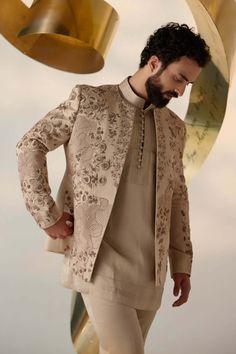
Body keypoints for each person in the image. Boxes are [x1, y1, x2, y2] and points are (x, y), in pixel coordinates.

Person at [16, 22, 211, 354]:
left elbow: (177, 195)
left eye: (189, 83)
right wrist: (46, 214)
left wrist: (181, 263)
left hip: (150, 271)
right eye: (179, 78)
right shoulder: (89, 101)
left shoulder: (174, 128)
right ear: (153, 63)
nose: (182, 92)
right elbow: (30, 144)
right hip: (98, 262)